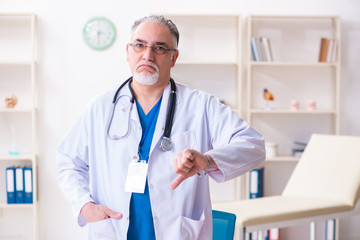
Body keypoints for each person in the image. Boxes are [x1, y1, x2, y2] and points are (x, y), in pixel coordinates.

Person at [57, 15, 265, 240]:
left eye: (160, 48)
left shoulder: (201, 105)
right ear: (128, 51)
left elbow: (253, 146)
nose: (147, 55)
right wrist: (85, 206)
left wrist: (206, 160)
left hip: (177, 232)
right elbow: (69, 162)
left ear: (174, 57)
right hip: (113, 229)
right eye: (139, 45)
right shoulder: (100, 108)